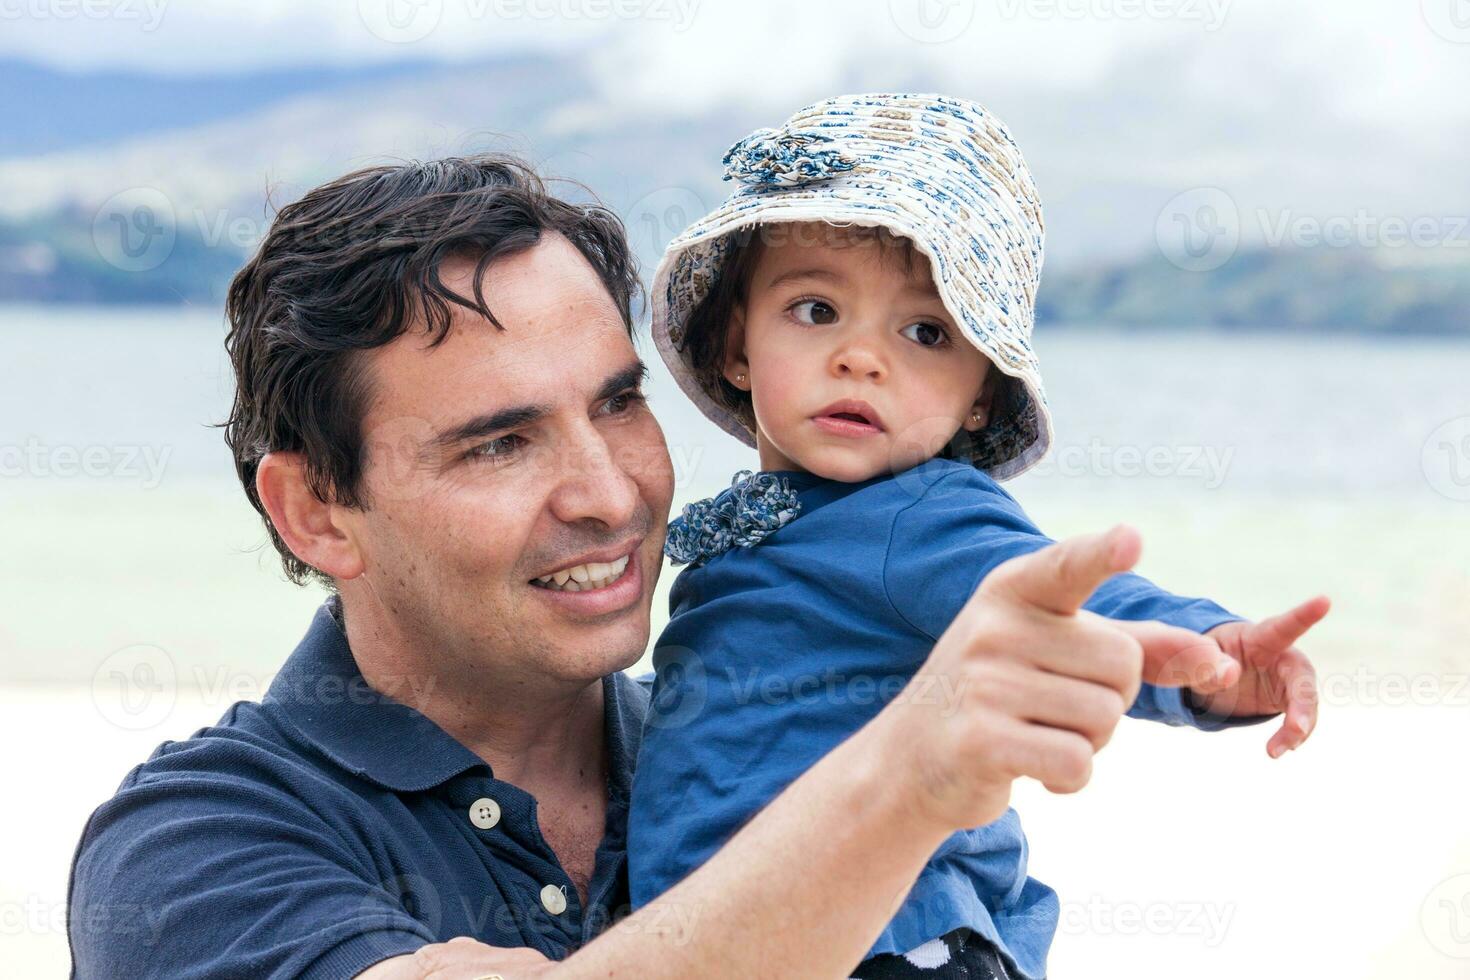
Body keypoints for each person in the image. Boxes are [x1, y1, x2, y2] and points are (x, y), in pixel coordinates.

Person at [66, 153, 1305, 980]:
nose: (609, 494)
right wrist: (903, 777)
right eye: (499, 441)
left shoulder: (749, 723)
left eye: (618, 404)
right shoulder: (197, 845)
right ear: (317, 510)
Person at [627, 93, 1328, 979]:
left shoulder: (925, 515)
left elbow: (1053, 596)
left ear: (979, 397)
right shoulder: (759, 534)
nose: (861, 357)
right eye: (814, 311)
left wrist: (1210, 653)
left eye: (925, 332)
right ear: (737, 346)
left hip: (895, 943)